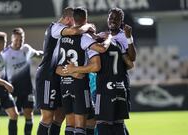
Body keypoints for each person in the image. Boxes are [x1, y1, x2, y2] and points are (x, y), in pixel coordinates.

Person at [35, 7, 96, 135]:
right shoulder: (55, 28)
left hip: (59, 75)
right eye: (73, 21)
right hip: (48, 75)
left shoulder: (63, 32)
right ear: (68, 19)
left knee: (60, 116)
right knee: (47, 116)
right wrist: (88, 26)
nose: (74, 24)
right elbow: (75, 31)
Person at [55, 7, 113, 135]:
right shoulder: (85, 38)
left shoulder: (61, 38)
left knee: (72, 123)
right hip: (79, 85)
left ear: (73, 19)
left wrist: (68, 71)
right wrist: (108, 37)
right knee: (81, 125)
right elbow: (97, 64)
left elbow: (55, 65)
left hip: (64, 84)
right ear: (86, 19)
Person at [94, 8, 134, 135]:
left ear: (121, 21)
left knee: (117, 120)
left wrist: (129, 38)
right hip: (103, 84)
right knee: (105, 120)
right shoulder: (102, 36)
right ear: (107, 19)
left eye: (116, 18)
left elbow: (132, 59)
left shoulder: (123, 36)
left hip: (120, 83)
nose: (113, 20)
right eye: (111, 18)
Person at [1, 28, 43, 135]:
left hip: (27, 88)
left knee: (29, 113)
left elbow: (37, 54)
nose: (19, 42)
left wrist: (48, 53)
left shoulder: (26, 49)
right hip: (13, 89)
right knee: (14, 115)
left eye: (21, 39)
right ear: (12, 39)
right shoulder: (5, 54)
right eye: (17, 40)